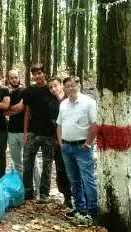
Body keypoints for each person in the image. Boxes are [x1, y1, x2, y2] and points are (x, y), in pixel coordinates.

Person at [57, 76, 98, 225]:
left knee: (88, 179)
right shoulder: (64, 104)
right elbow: (59, 124)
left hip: (82, 147)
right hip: (66, 147)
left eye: (73, 86)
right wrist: (61, 142)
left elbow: (94, 125)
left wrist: (88, 143)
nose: (70, 89)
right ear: (64, 88)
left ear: (79, 86)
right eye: (67, 86)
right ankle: (80, 209)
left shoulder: (89, 102)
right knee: (74, 180)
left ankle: (93, 212)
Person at [21, 63, 60, 203]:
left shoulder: (51, 88)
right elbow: (27, 112)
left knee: (47, 164)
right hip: (33, 132)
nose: (38, 76)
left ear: (44, 73)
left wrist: (58, 135)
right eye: (35, 74)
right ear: (33, 75)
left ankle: (44, 194)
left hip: (49, 134)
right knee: (27, 162)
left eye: (40, 73)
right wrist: (25, 133)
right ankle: (28, 191)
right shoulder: (29, 91)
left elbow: (60, 109)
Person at [48, 77, 72, 208]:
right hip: (58, 142)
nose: (53, 89)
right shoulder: (52, 103)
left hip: (73, 141)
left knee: (74, 169)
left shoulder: (69, 100)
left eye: (55, 86)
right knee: (61, 169)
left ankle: (80, 198)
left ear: (61, 86)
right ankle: (67, 196)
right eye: (50, 87)